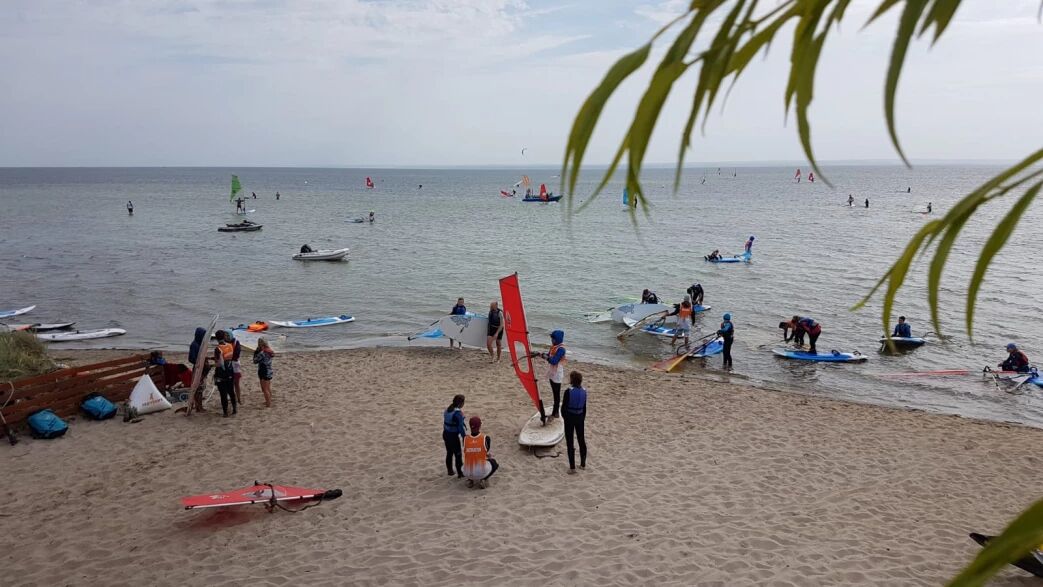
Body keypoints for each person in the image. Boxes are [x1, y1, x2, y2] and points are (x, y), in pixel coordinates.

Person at [562, 370, 588, 474]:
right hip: (580, 417)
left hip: (570, 417)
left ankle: (572, 468)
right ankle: (583, 465)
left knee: (570, 442)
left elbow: (563, 408)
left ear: (572, 380)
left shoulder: (568, 391)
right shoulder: (584, 391)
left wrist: (565, 418)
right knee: (581, 440)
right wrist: (582, 418)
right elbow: (584, 408)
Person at [462, 416, 498, 488]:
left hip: (467, 472)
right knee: (494, 463)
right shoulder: (486, 438)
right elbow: (485, 451)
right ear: (479, 426)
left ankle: (470, 480)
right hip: (481, 472)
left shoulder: (465, 439)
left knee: (468, 461)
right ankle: (483, 479)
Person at [541, 330, 567, 418]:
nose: (551, 340)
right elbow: (549, 356)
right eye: (551, 338)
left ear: (557, 339)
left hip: (557, 374)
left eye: (553, 338)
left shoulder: (561, 349)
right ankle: (555, 412)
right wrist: (541, 355)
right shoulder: (553, 347)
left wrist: (546, 357)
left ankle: (556, 413)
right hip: (552, 372)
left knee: (556, 394)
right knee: (554, 392)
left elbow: (554, 361)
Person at [216, 330, 243, 404]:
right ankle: (231, 397)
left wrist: (228, 357)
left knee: (236, 383)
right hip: (228, 366)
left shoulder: (236, 342)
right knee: (229, 383)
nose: (227, 337)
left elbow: (236, 354)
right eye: (226, 335)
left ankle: (239, 398)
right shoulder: (224, 344)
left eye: (228, 335)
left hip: (235, 365)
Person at [442, 395, 466, 478]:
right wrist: (464, 437)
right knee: (458, 455)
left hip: (445, 434)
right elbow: (460, 428)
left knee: (449, 453)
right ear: (460, 404)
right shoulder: (457, 413)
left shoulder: (447, 410)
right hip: (453, 437)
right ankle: (460, 473)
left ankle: (450, 471)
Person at [213, 342, 238, 417]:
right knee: (231, 391)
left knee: (223, 393)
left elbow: (220, 363)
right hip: (230, 371)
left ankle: (225, 412)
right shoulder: (230, 346)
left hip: (221, 374)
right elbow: (230, 357)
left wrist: (211, 365)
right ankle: (234, 409)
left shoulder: (218, 349)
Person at [188, 327, 209, 412]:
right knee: (198, 389)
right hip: (198, 370)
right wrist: (199, 363)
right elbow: (191, 358)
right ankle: (198, 407)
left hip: (202, 369)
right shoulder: (194, 345)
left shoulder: (200, 344)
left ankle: (199, 406)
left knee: (201, 388)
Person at [253, 337, 275, 407]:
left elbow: (255, 361)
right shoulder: (269, 350)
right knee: (268, 388)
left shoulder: (262, 353)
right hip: (269, 370)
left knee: (264, 389)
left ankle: (268, 403)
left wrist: (256, 353)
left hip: (263, 370)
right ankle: (269, 401)